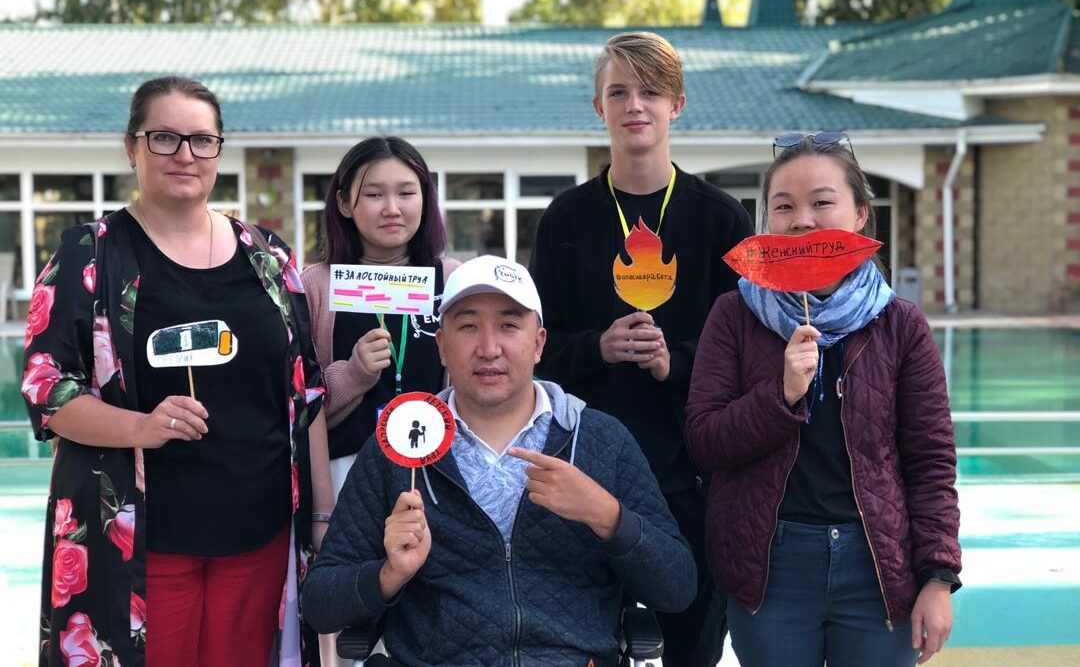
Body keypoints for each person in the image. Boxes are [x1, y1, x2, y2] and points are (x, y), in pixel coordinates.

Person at [21, 75, 332, 667]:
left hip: (257, 535)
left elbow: (306, 392)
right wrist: (140, 426)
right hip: (140, 543)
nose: (184, 155)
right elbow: (46, 387)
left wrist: (321, 518)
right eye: (164, 138)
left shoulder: (268, 256)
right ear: (131, 148)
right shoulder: (92, 255)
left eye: (201, 140)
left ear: (219, 150)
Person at [302, 255, 696, 666]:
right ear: (441, 346)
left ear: (539, 343)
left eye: (509, 325)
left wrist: (608, 517)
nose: (489, 348)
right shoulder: (400, 446)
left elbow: (677, 587)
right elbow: (321, 602)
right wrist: (389, 575)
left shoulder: (598, 440)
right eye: (468, 326)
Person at [685, 132, 962, 667]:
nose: (802, 220)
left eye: (821, 202)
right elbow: (706, 441)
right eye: (783, 206)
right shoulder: (734, 315)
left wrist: (938, 577)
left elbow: (931, 461)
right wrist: (782, 395)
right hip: (771, 565)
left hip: (878, 565)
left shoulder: (900, 324)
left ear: (860, 214)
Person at [528, 30, 752, 666]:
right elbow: (536, 350)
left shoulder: (721, 219)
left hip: (693, 469)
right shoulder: (566, 219)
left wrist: (674, 360)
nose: (636, 105)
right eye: (618, 91)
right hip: (591, 463)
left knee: (692, 639)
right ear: (598, 108)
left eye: (651, 92)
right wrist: (598, 346)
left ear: (676, 104)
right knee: (587, 643)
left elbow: (744, 348)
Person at [301, 136, 458, 497]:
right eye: (374, 195)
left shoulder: (451, 280)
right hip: (345, 478)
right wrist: (354, 374)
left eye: (406, 193)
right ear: (343, 202)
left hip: (436, 476)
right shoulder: (317, 286)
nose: (392, 208)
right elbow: (297, 403)